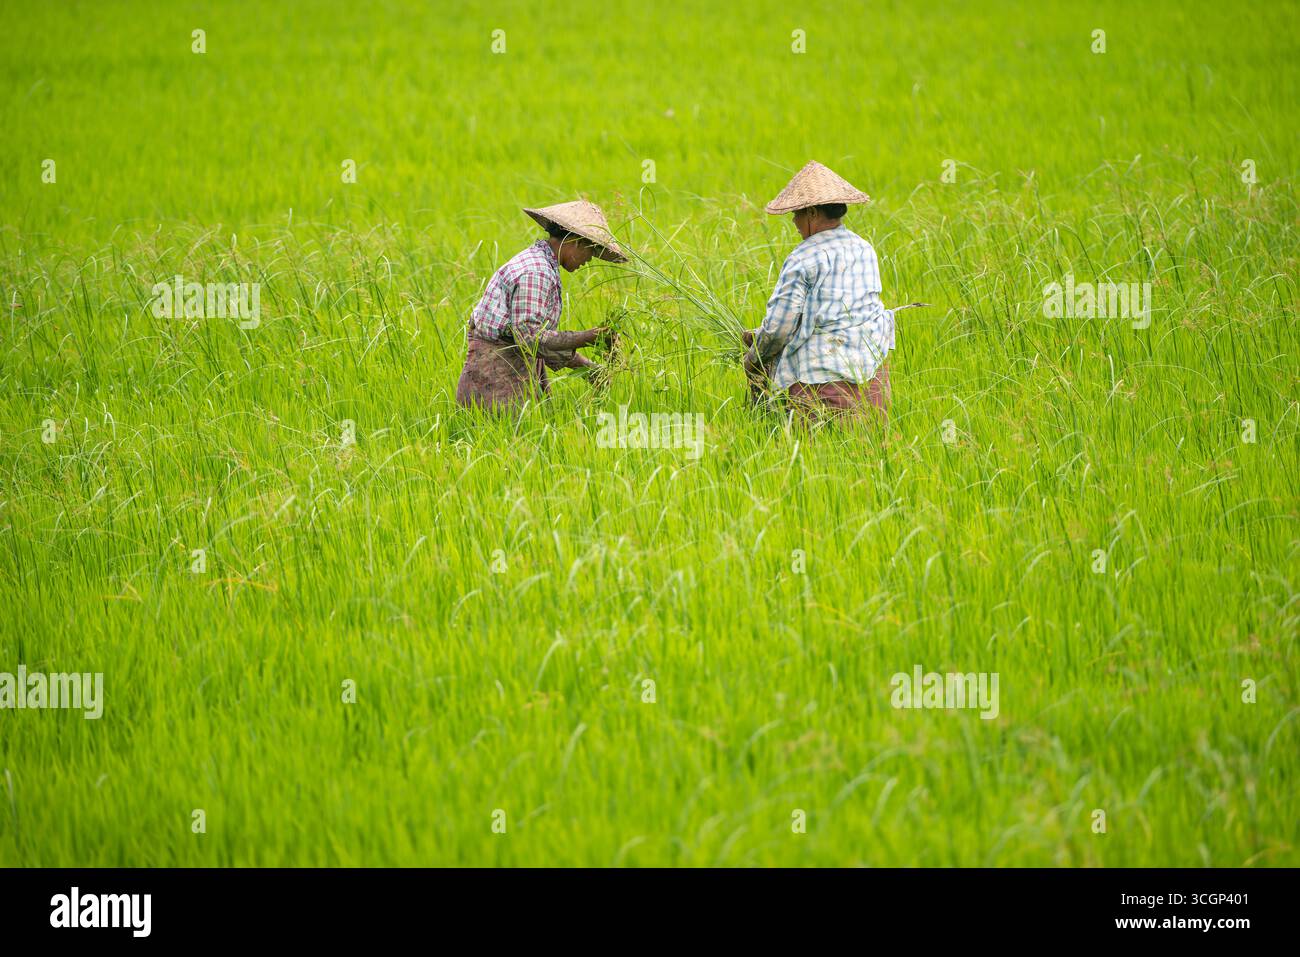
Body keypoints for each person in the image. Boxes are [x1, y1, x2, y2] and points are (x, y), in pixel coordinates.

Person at [742, 161, 895, 421]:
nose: (794, 221)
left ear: (813, 213)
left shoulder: (803, 258)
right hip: (873, 387)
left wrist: (754, 357)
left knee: (811, 457)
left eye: (797, 213)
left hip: (819, 389)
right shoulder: (864, 248)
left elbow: (780, 329)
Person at [456, 200, 626, 411]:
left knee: (531, 432)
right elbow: (529, 337)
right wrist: (588, 337)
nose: (588, 260)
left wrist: (589, 368)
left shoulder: (543, 263)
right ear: (574, 242)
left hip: (511, 365)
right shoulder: (537, 272)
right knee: (507, 437)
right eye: (590, 253)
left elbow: (534, 342)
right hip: (495, 376)